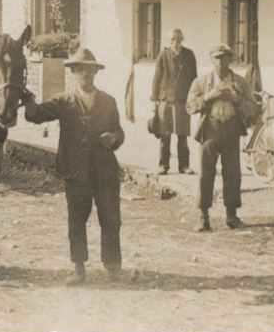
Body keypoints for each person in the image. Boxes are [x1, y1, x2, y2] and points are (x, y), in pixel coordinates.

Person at [21, 45, 127, 283]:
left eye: (89, 71)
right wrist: (28, 101)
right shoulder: (64, 101)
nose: (85, 75)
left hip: (104, 170)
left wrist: (113, 137)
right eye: (80, 71)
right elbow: (37, 114)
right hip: (76, 170)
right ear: (74, 73)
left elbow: (119, 132)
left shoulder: (108, 101)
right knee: (76, 219)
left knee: (110, 217)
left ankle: (113, 266)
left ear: (96, 73)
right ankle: (78, 268)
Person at [186, 43, 262, 232]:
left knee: (232, 174)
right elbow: (189, 107)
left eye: (224, 57)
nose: (220, 62)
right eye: (217, 58)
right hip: (210, 130)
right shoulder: (202, 82)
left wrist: (237, 99)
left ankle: (232, 216)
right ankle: (203, 217)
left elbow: (253, 109)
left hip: (231, 130)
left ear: (230, 60)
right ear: (211, 60)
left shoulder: (241, 82)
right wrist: (208, 97)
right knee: (206, 174)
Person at [150, 28, 197, 175]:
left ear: (182, 38)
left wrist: (193, 98)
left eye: (178, 39)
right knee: (165, 135)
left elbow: (194, 79)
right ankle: (163, 165)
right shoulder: (163, 56)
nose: (175, 43)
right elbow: (156, 78)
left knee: (182, 135)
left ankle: (184, 166)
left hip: (183, 101)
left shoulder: (189, 55)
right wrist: (154, 101)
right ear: (168, 41)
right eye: (172, 40)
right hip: (166, 101)